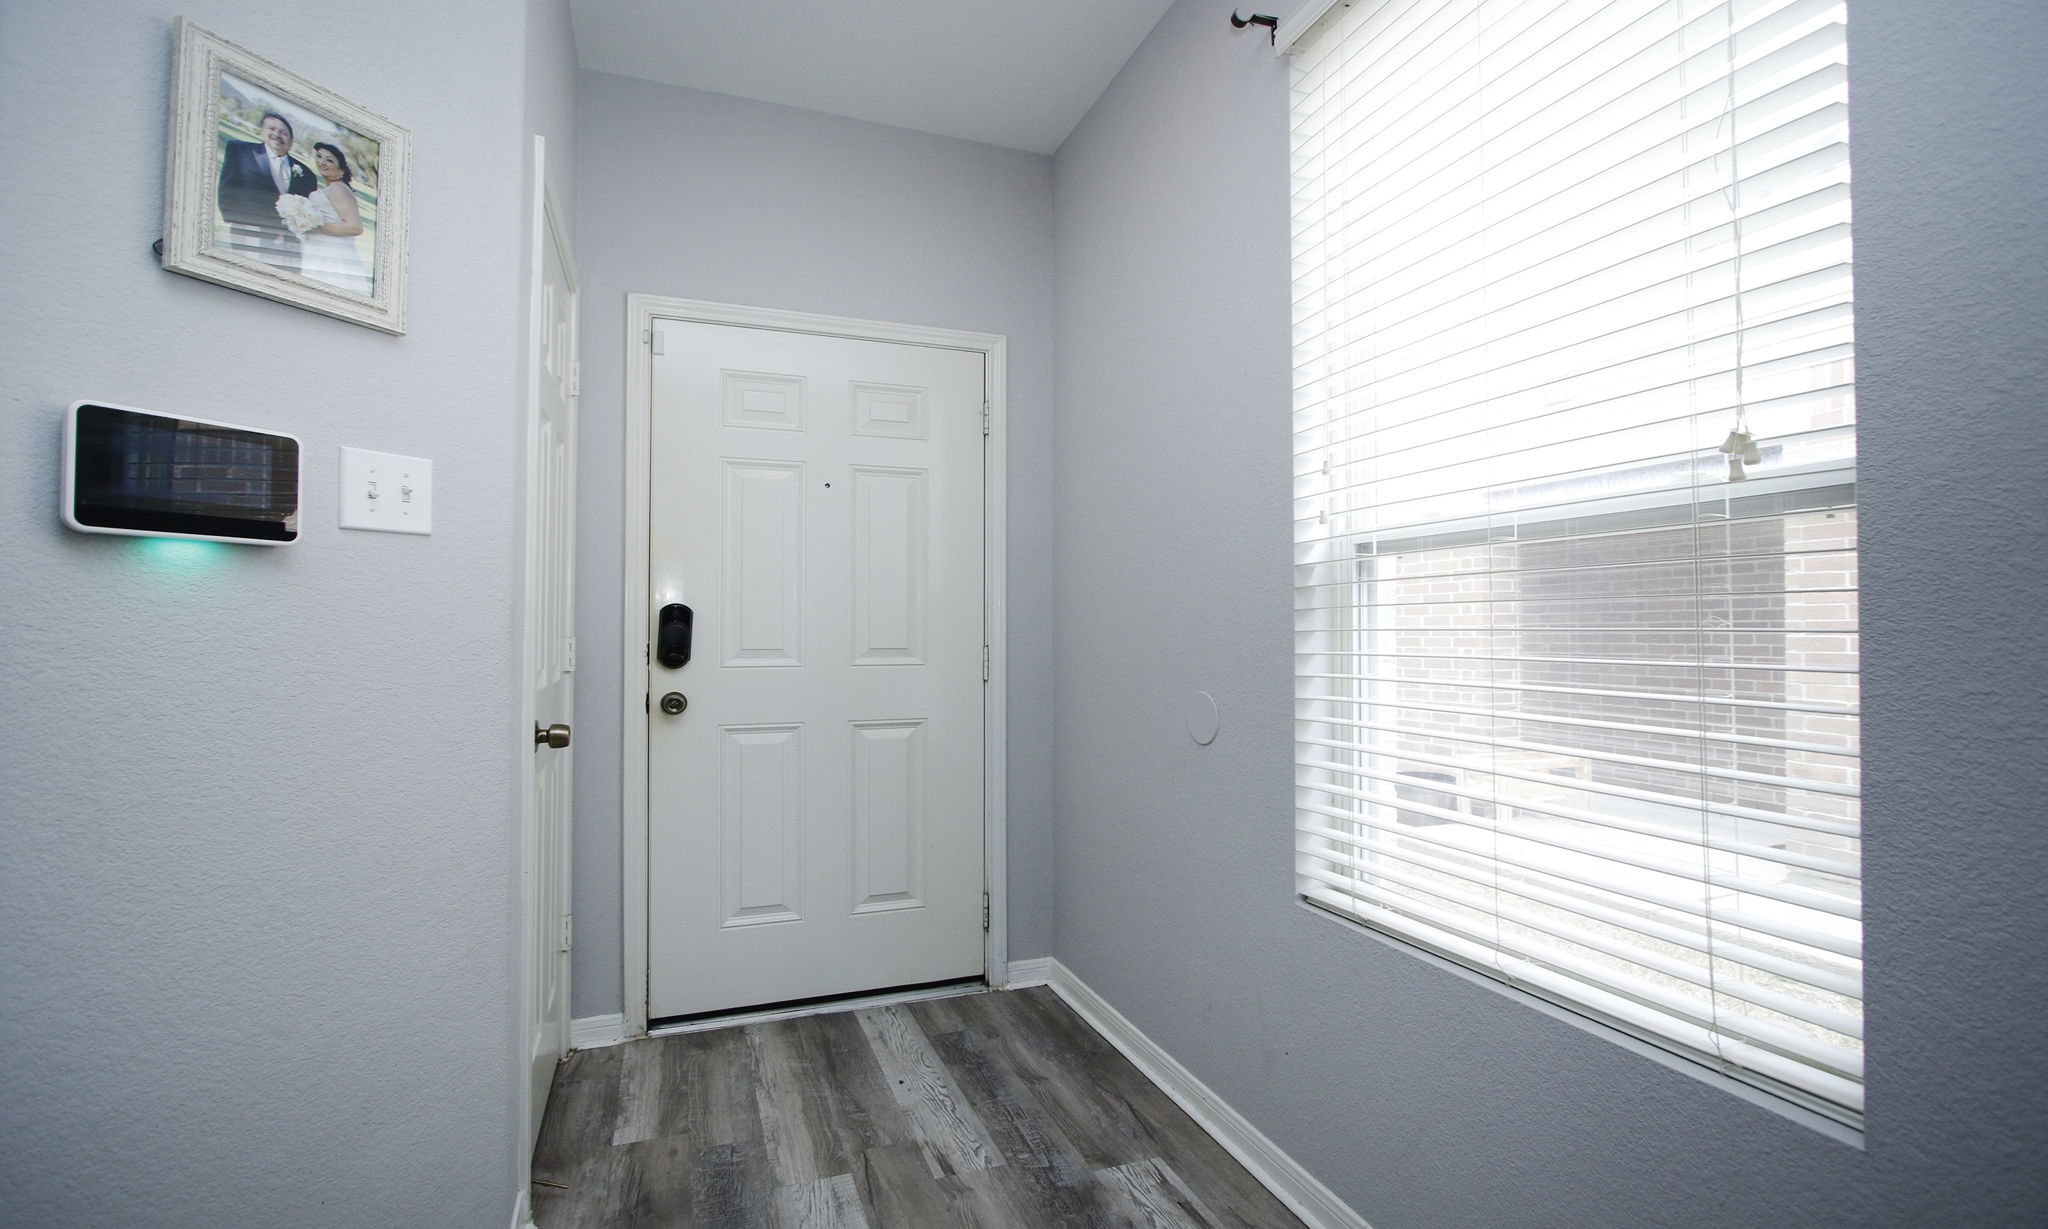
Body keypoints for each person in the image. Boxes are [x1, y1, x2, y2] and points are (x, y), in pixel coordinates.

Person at [216, 111, 320, 271]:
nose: (277, 135)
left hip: (289, 247)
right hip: (249, 236)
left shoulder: (306, 174)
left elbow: (308, 212)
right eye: (272, 129)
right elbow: (227, 193)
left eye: (283, 132)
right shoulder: (239, 151)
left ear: (291, 142)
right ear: (261, 131)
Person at [295, 142, 372, 296]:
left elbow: (355, 227)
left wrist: (315, 227)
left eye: (329, 160)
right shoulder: (329, 188)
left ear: (341, 169)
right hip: (318, 251)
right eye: (319, 157)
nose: (322, 162)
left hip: (333, 254)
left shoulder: (338, 189)